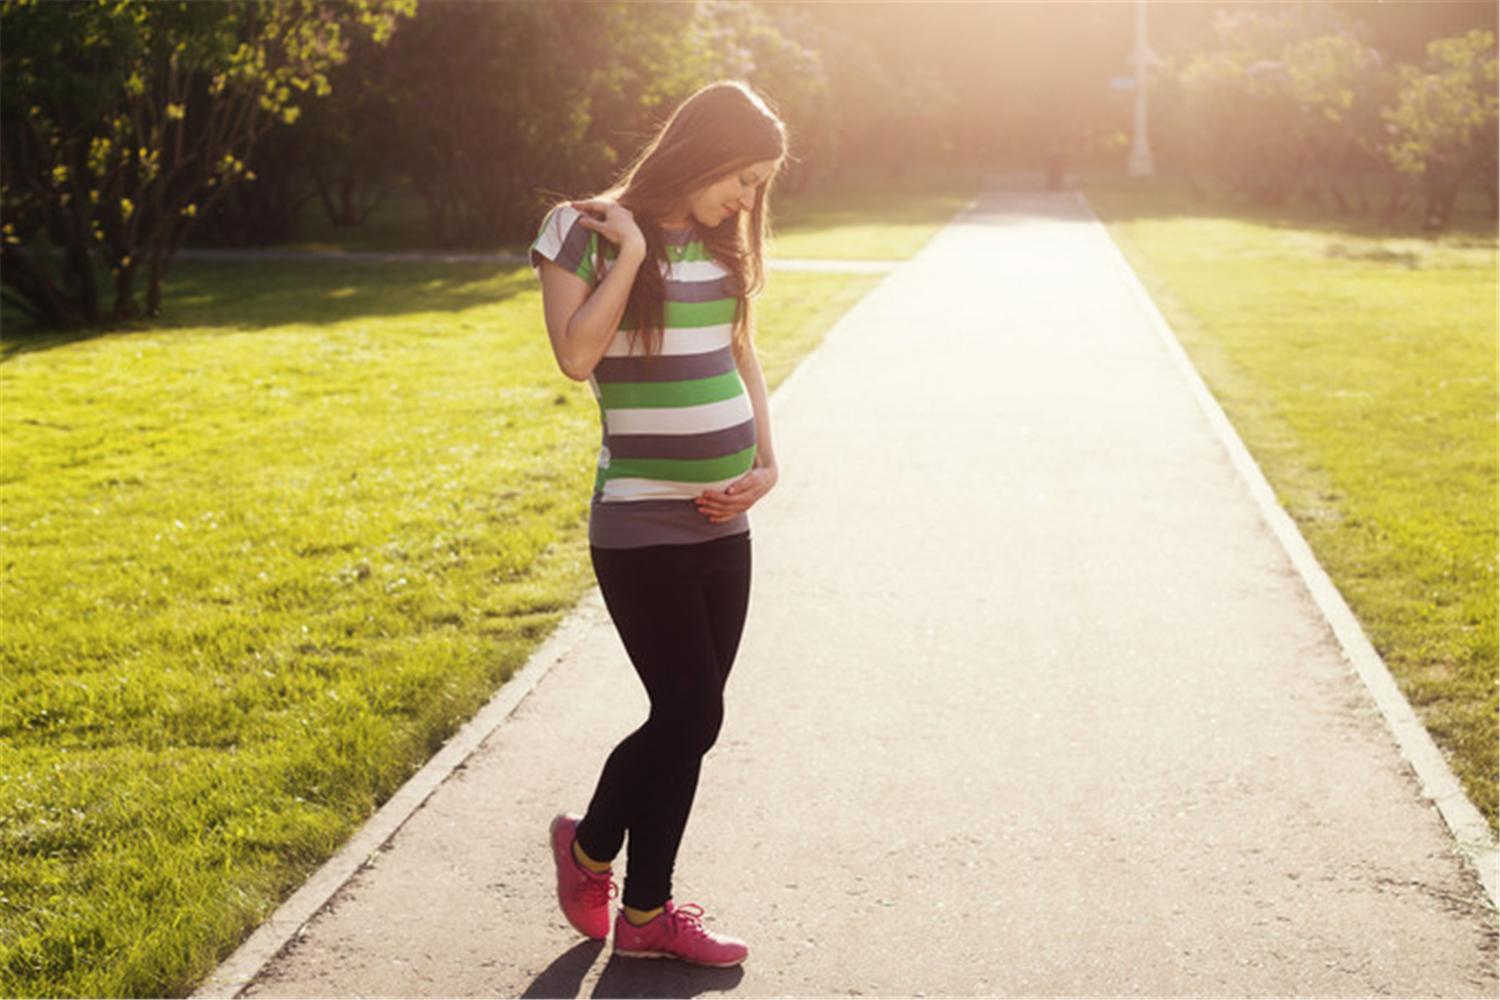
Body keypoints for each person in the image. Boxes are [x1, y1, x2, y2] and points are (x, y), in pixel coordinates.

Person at [526, 79, 787, 968]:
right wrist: (633, 254)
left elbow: (739, 347)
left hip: (724, 519)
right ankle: (590, 849)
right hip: (640, 521)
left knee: (694, 720)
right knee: (688, 708)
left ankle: (643, 916)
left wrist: (765, 461)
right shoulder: (583, 229)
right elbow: (575, 355)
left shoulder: (723, 243)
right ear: (704, 150)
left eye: (758, 186)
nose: (747, 200)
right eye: (742, 178)